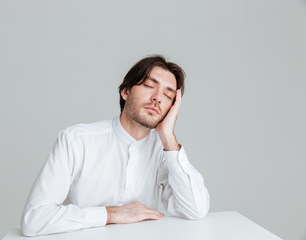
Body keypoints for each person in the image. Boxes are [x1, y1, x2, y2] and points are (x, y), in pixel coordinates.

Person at [21, 55, 210, 237]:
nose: (157, 98)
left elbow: (196, 210)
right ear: (125, 91)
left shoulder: (164, 150)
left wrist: (168, 137)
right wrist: (111, 214)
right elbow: (34, 219)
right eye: (149, 86)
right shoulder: (76, 140)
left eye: (168, 96)